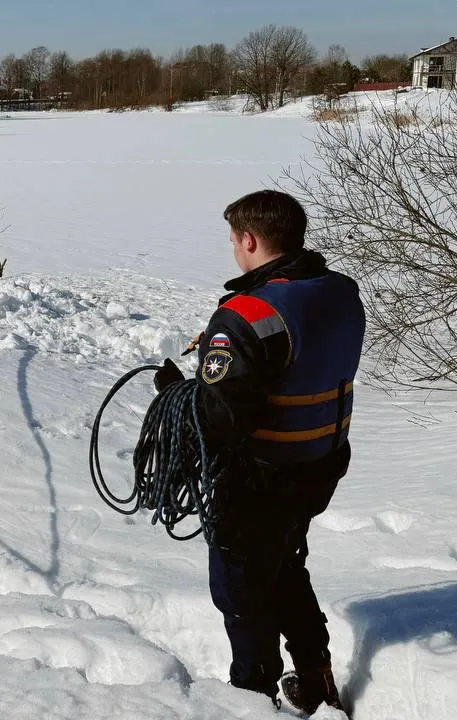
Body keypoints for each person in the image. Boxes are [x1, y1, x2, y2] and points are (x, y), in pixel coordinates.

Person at [153, 190, 365, 715]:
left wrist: (177, 395)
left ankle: (252, 695)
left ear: (250, 239)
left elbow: (220, 420)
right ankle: (316, 676)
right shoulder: (339, 290)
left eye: (233, 240)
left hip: (259, 478)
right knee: (286, 564)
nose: (232, 249)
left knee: (241, 592)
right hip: (319, 465)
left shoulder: (246, 313)